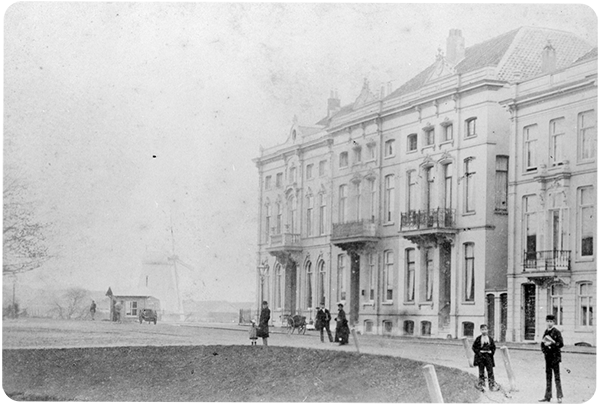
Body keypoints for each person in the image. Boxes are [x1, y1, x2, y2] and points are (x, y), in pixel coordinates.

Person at [539, 314, 564, 403]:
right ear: (546, 322)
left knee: (557, 377)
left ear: (554, 322)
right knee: (548, 377)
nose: (549, 323)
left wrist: (552, 344)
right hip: (548, 358)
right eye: (548, 321)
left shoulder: (557, 332)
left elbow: (561, 344)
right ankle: (547, 396)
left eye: (551, 321)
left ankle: (559, 396)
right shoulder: (546, 332)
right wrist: (545, 350)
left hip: (555, 358)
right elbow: (542, 344)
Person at [472, 324, 499, 391]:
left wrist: (491, 352)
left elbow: (493, 347)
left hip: (488, 357)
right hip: (481, 357)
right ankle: (481, 385)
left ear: (487, 330)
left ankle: (491, 385)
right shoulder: (478, 339)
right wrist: (479, 353)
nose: (484, 331)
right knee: (481, 371)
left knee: (490, 371)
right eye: (483, 329)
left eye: (485, 329)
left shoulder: (490, 339)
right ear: (480, 330)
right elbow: (474, 347)